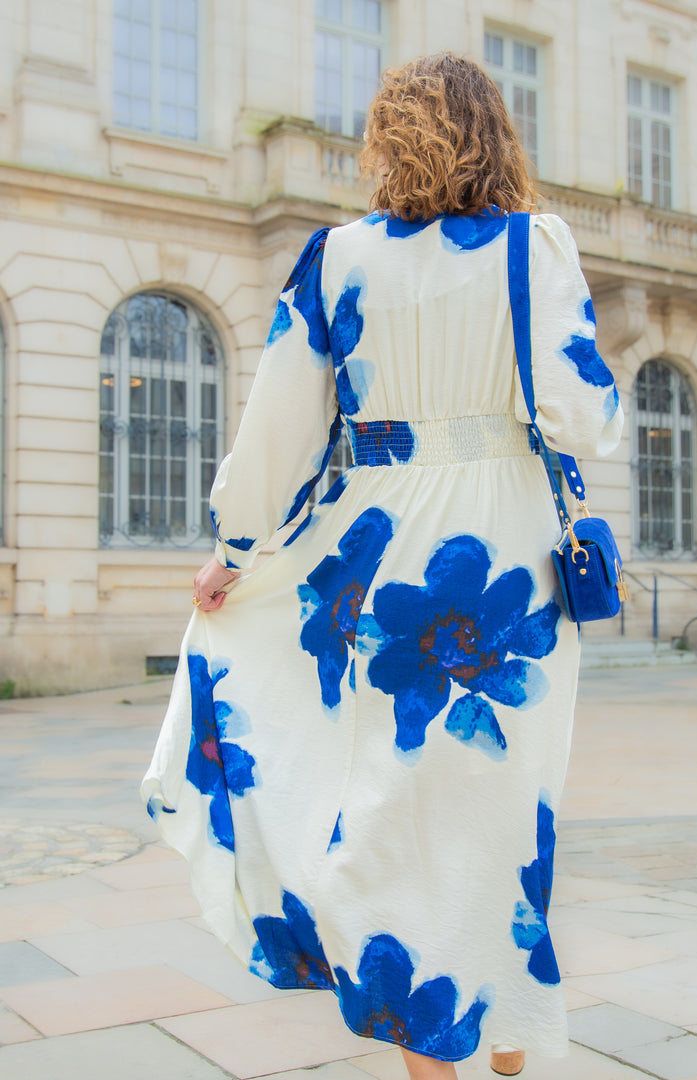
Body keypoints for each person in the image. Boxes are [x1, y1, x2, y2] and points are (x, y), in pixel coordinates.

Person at [142, 52, 623, 1079]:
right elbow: (588, 418)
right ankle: (502, 1037)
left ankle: (429, 1047)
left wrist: (234, 552)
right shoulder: (535, 249)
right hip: (508, 566)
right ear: (495, 132)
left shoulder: (335, 258)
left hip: (379, 555)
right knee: (502, 809)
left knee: (394, 811)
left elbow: (276, 429)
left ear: (387, 140)